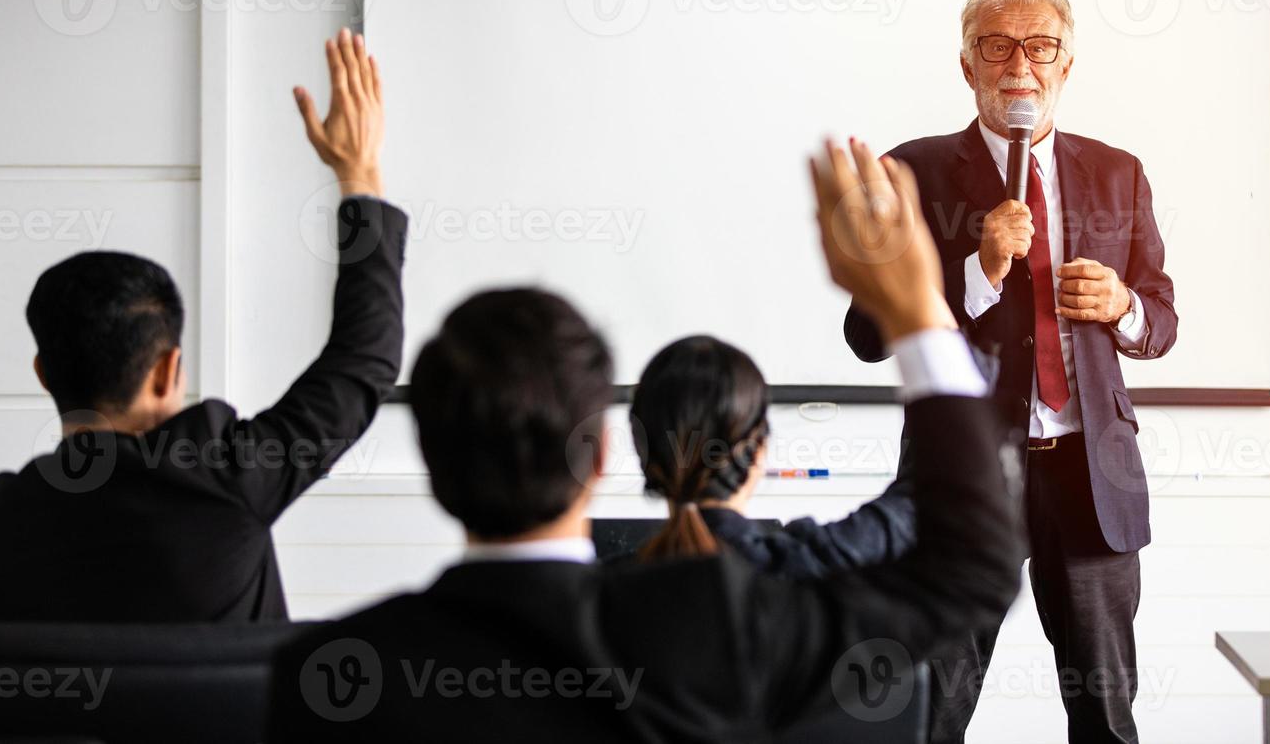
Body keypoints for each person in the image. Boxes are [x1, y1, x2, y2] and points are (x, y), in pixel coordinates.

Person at [268, 139, 1025, 742]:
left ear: (430, 461)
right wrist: (918, 308)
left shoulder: (335, 677)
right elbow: (973, 572)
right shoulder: (718, 628)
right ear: (599, 456)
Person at [0, 30, 405, 673]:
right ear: (168, 370)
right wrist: (360, 174)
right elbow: (365, 358)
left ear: (45, 374)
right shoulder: (233, 483)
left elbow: (366, 359)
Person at [845, 0, 1179, 743]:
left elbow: (1161, 319)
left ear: (1067, 64)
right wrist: (977, 270)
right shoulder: (912, 173)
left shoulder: (1119, 173)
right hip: (966, 475)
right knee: (932, 710)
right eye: (996, 46)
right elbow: (867, 331)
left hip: (1089, 473)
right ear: (967, 65)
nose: (1019, 65)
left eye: (1040, 46)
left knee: (1104, 715)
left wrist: (1123, 306)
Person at [629, 333, 995, 744]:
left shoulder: (589, 598)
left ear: (642, 452)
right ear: (760, 450)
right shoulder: (814, 572)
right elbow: (942, 502)